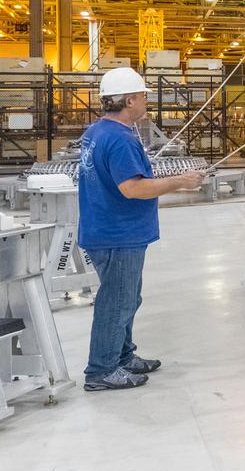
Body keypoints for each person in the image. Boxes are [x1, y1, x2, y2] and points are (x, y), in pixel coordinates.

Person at [79, 67, 205, 392]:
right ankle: (101, 370)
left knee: (127, 298)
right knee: (117, 301)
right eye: (143, 96)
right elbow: (132, 189)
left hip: (107, 228)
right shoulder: (119, 139)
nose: (147, 100)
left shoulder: (98, 131)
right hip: (118, 234)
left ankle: (121, 356)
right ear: (129, 99)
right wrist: (181, 181)